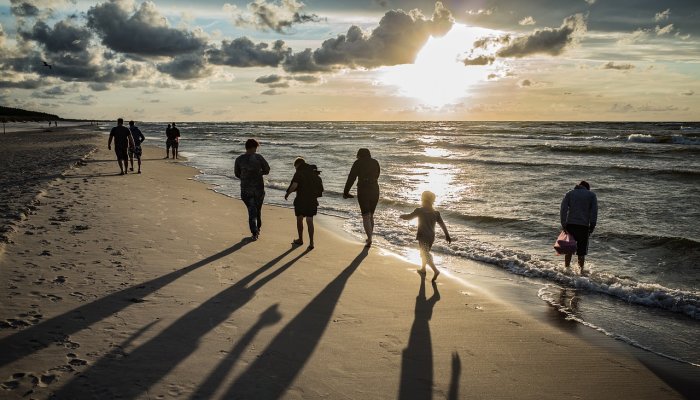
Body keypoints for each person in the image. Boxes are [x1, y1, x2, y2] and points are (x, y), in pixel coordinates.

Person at [400, 191, 452, 281]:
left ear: (422, 200)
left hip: (423, 235)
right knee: (424, 252)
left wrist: (402, 216)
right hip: (431, 236)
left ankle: (435, 270)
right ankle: (423, 269)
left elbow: (409, 217)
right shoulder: (436, 213)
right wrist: (447, 235)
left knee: (425, 253)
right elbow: (442, 225)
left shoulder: (419, 210)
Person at [343, 148, 380, 247]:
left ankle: (370, 239)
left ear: (359, 155)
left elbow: (351, 178)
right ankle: (370, 237)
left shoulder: (358, 163)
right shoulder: (375, 162)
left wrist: (346, 192)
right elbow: (377, 175)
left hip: (363, 190)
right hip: (375, 189)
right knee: (371, 215)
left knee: (365, 215)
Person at [234, 139, 270, 240]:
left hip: (245, 190)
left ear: (246, 147)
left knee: (251, 210)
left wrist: (245, 176)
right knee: (257, 211)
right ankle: (256, 230)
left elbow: (237, 174)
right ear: (254, 147)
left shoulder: (239, 159)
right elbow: (267, 170)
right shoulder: (258, 158)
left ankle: (254, 232)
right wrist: (259, 173)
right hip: (259, 189)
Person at [560, 180, 598, 274]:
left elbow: (563, 209)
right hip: (583, 227)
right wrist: (592, 225)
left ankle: (566, 270)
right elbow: (594, 212)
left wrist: (563, 223)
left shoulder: (570, 193)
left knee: (569, 249)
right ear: (587, 188)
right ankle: (580, 272)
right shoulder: (591, 195)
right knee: (581, 252)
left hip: (571, 225)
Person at [285, 157, 319, 250]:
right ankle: (311, 243)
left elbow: (294, 185)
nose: (295, 169)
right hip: (312, 199)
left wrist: (287, 193)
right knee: (309, 220)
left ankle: (300, 239)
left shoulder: (299, 172)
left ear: (297, 165)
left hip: (301, 199)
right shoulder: (313, 171)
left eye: (295, 167)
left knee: (300, 218)